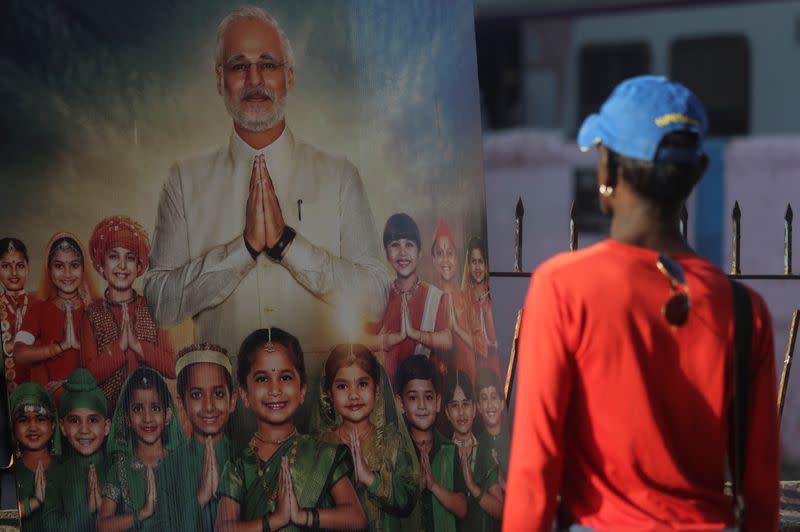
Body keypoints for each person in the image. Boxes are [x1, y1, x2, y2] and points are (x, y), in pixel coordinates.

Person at [503, 75, 780, 531]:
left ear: (609, 171)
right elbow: (762, 492)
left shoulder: (563, 287)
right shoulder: (746, 310)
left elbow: (535, 473)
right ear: (697, 172)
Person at [143, 5, 389, 370]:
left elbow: (375, 298)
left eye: (269, 64)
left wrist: (288, 246)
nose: (255, 78)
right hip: (219, 416)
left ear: (289, 76)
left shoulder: (339, 176)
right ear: (219, 79)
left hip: (322, 412)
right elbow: (159, 305)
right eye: (239, 66)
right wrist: (242, 251)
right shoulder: (184, 180)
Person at [215, 327, 367, 531]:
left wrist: (303, 516)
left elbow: (356, 517)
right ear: (244, 395)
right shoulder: (238, 467)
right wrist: (275, 520)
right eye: (262, 378)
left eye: (285, 377)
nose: (275, 389)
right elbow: (222, 528)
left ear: (302, 391)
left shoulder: (323, 453)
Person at [311, 343, 420, 531]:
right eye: (343, 386)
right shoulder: (319, 446)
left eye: (362, 384)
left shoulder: (392, 442)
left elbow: (408, 501)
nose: (353, 395)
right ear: (329, 394)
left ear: (377, 389)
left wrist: (371, 479)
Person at [82, 215, 176, 412]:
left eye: (130, 258)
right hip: (107, 415)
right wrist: (121, 347)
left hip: (152, 414)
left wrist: (138, 346)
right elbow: (88, 377)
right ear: (101, 264)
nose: (123, 266)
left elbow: (172, 366)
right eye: (114, 256)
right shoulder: (92, 314)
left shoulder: (153, 307)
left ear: (139, 265)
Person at [97, 366, 192, 532]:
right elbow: (102, 526)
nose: (147, 418)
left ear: (168, 415)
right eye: (138, 409)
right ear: (126, 417)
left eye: (155, 408)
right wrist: (143, 513)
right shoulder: (121, 468)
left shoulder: (181, 462)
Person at [15, 232, 100, 398]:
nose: (67, 274)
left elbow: (109, 358)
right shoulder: (38, 308)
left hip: (89, 395)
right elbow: (19, 353)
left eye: (74, 265)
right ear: (49, 268)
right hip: (52, 397)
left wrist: (80, 345)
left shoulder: (97, 307)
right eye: (59, 266)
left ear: (83, 268)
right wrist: (60, 346)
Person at [369, 213, 452, 383]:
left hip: (422, 397)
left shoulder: (434, 297)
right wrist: (393, 339)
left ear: (420, 252)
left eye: (409, 245)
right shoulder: (380, 295)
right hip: (386, 395)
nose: (402, 253)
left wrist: (415, 334)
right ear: (386, 253)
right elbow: (361, 341)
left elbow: (448, 340)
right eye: (394, 245)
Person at [396, 354, 467, 532]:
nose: (421, 405)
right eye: (413, 398)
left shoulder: (450, 450)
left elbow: (462, 508)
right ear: (400, 404)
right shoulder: (395, 451)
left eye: (428, 397)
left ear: (437, 402)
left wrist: (433, 486)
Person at [175, 342, 237, 531]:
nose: (209, 406)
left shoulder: (247, 460)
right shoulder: (167, 468)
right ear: (181, 403)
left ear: (232, 401)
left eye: (218, 393)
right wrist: (201, 497)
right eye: (196, 395)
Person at [49, 368, 111, 532]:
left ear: (106, 426)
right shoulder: (54, 476)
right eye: (74, 420)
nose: (84, 430)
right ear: (62, 427)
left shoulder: (117, 467)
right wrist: (87, 510)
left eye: (93, 420)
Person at [442, 371, 502, 532]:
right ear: (447, 413)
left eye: (466, 404)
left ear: (475, 409)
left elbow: (499, 511)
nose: (461, 412)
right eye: (454, 405)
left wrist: (472, 486)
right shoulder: (443, 452)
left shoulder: (486, 450)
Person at [9, 382, 63, 532]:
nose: (32, 427)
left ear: (53, 424)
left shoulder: (67, 467)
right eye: (23, 420)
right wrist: (33, 502)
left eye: (40, 419)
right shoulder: (8, 473)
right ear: (13, 427)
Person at [430, 222, 476, 383]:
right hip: (441, 383)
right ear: (433, 259)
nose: (445, 259)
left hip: (470, 380)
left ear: (456, 258)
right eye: (440, 253)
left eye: (450, 253)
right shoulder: (430, 299)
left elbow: (479, 344)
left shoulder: (467, 298)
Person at [1, 237, 35, 391]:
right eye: (6, 266)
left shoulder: (40, 304)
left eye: (20, 266)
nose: (14, 273)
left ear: (27, 268)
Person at [461, 238, 499, 377]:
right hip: (473, 367)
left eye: (481, 261)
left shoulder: (493, 297)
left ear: (486, 264)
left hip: (495, 367)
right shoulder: (464, 299)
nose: (477, 268)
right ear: (468, 266)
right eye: (473, 262)